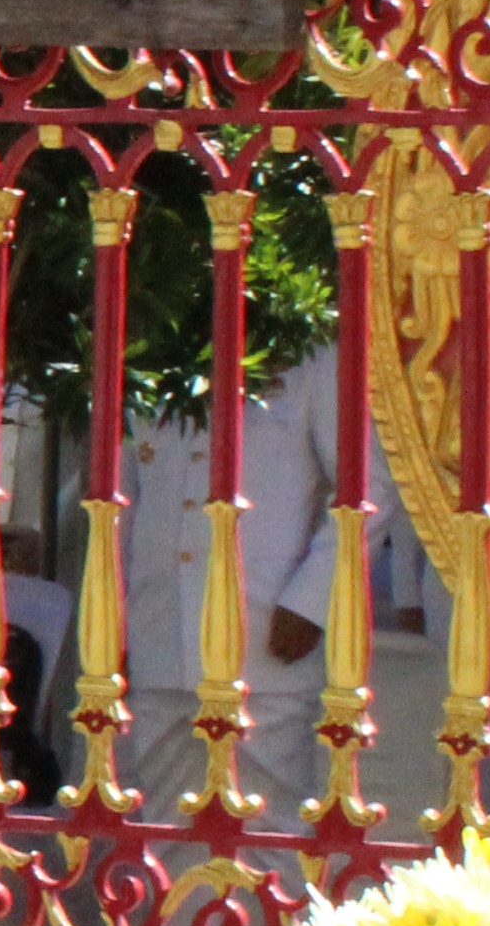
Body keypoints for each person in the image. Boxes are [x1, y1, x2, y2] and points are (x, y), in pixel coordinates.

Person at [121, 347, 343, 821]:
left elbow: (365, 489)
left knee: (268, 829)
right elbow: (121, 503)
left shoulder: (311, 359)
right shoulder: (152, 350)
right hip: (158, 631)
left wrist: (311, 601)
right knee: (166, 828)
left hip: (264, 633)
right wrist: (115, 620)